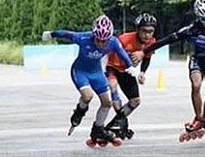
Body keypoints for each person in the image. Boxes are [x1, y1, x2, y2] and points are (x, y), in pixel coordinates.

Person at [135, 0, 205, 139]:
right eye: (204, 19)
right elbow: (166, 40)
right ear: (198, 17)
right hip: (197, 60)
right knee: (196, 85)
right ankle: (198, 118)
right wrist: (144, 51)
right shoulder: (191, 29)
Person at [41, 14, 140, 143]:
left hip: (96, 72)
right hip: (80, 71)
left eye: (104, 41)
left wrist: (130, 67)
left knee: (107, 102)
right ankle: (79, 111)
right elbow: (66, 34)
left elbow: (123, 55)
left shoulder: (113, 42)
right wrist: (51, 34)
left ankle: (98, 128)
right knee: (88, 96)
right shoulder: (83, 38)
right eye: (98, 39)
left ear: (109, 38)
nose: (100, 43)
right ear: (93, 35)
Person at [104, 12, 158, 139]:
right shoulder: (124, 39)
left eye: (151, 31)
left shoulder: (151, 42)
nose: (147, 35)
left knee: (135, 101)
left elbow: (147, 57)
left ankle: (113, 125)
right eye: (144, 31)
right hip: (112, 68)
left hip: (127, 71)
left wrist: (142, 72)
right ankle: (109, 126)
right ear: (137, 30)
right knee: (113, 87)